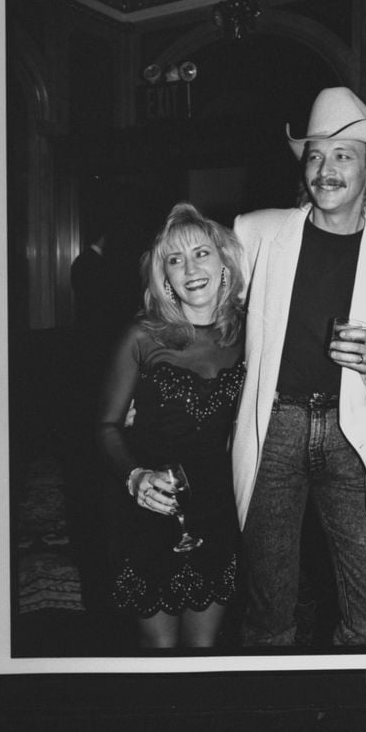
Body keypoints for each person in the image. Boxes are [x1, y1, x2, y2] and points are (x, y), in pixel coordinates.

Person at [231, 86, 366, 647]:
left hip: (353, 435)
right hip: (271, 428)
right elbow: (209, 318)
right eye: (316, 154)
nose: (325, 168)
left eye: (343, 155)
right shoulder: (255, 231)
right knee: (269, 610)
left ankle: (346, 712)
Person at [96, 202, 245, 650]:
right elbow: (104, 425)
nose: (189, 268)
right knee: (158, 653)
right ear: (164, 278)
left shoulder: (252, 333)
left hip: (218, 509)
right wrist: (135, 476)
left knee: (203, 650)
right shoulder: (142, 336)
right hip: (150, 508)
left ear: (224, 264)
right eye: (174, 260)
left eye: (201, 253)